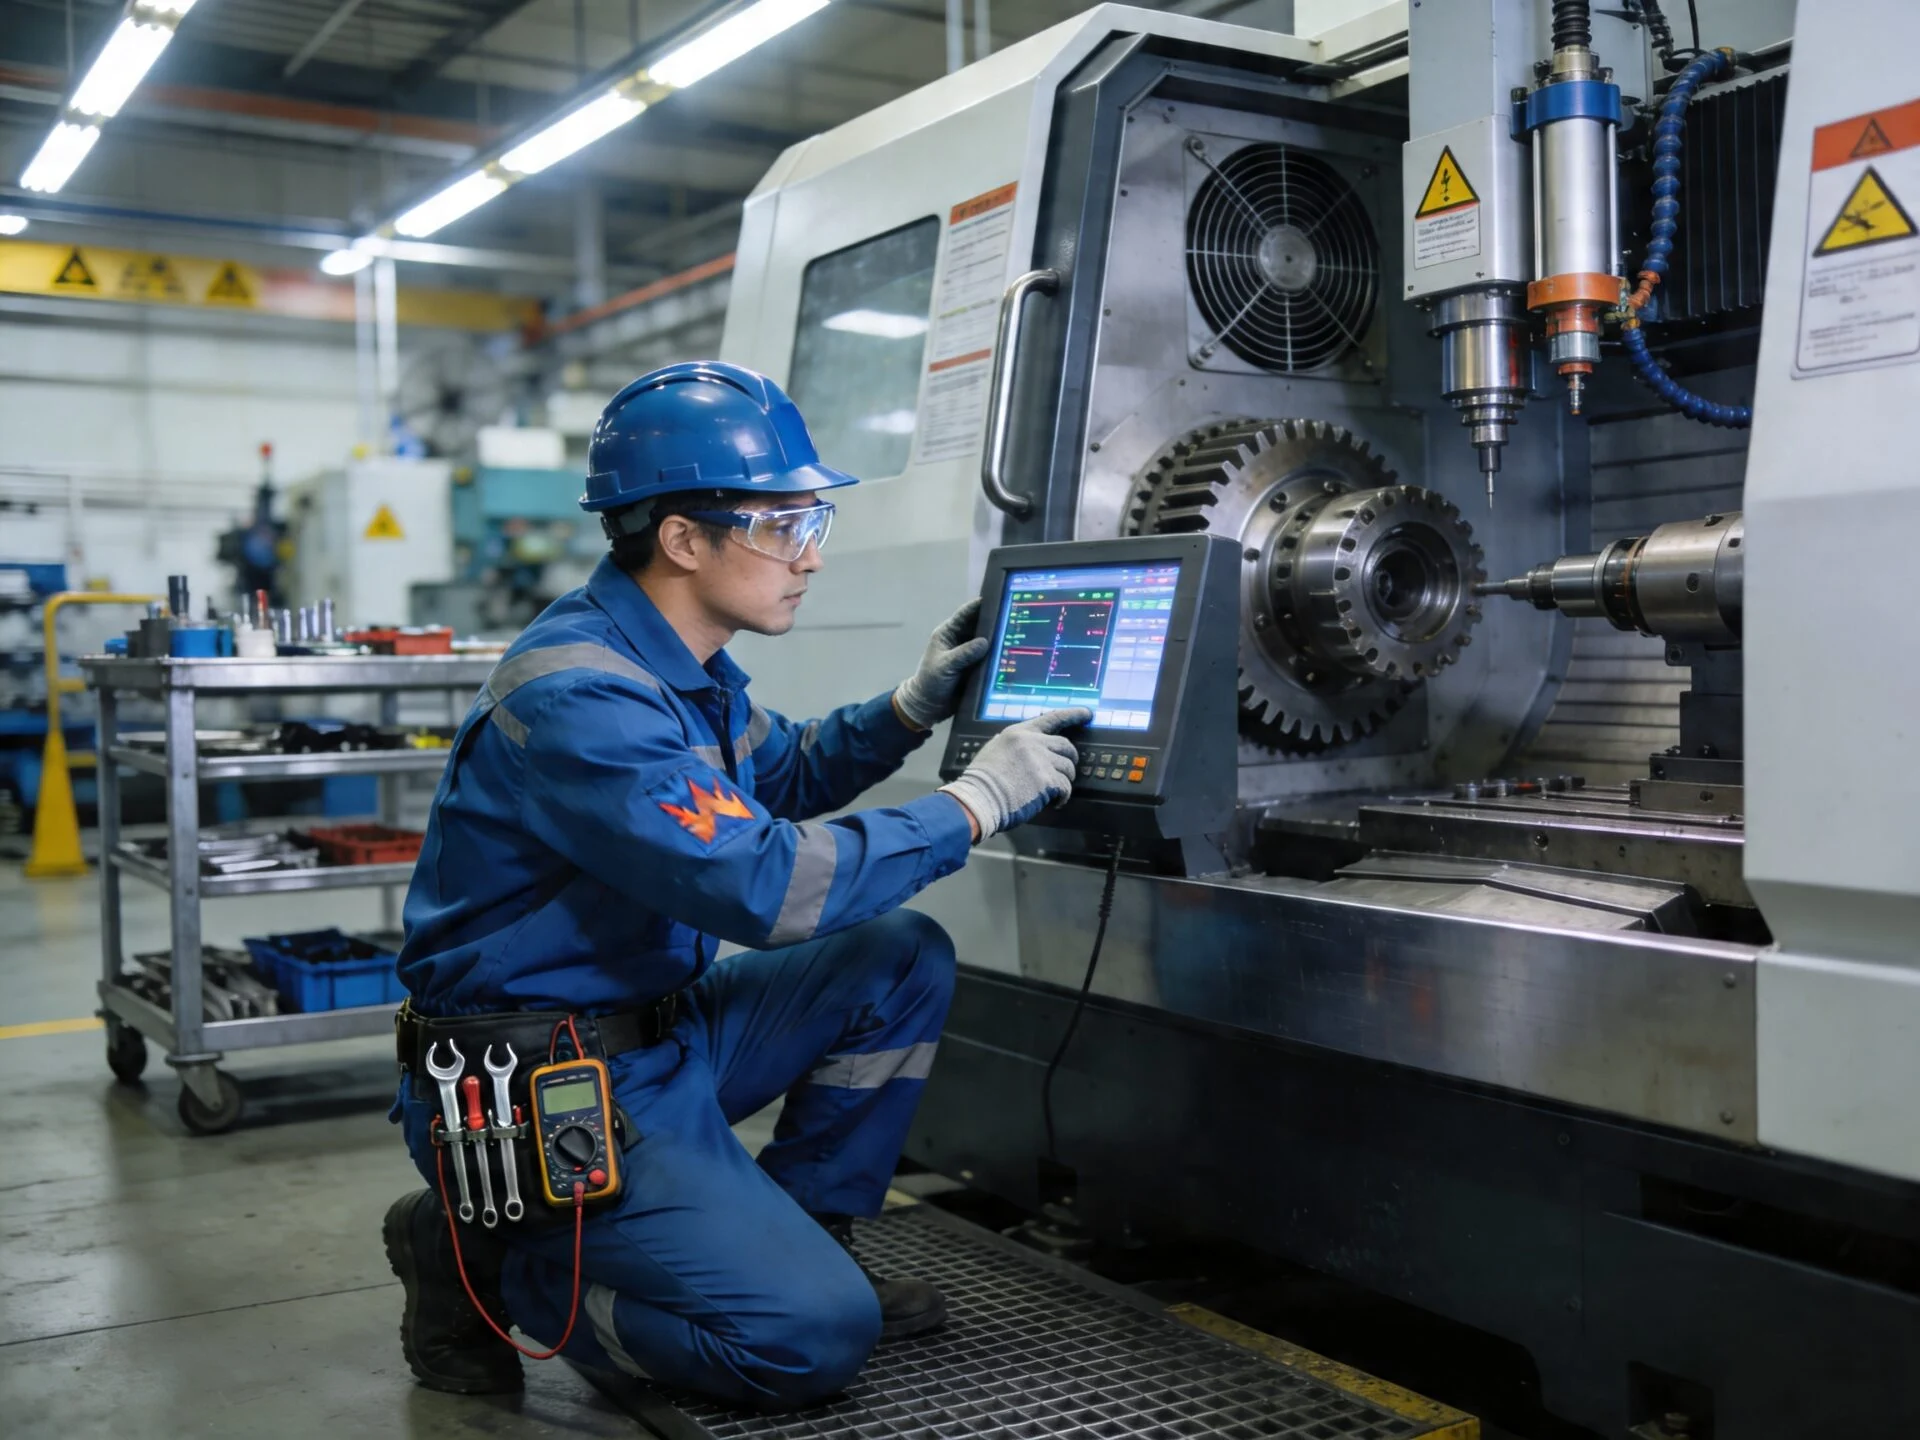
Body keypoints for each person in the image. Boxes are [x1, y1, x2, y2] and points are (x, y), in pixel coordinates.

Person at [382, 361, 1088, 1409]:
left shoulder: (678, 666)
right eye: (783, 525)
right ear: (682, 539)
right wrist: (977, 802)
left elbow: (784, 771)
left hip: (660, 1035)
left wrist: (909, 706)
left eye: (816, 526)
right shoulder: (587, 698)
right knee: (806, 1340)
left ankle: (805, 1231)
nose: (809, 557)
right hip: (544, 1083)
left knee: (896, 958)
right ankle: (496, 1263)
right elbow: (771, 888)